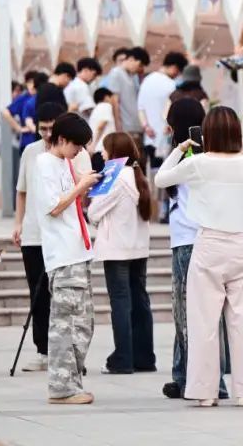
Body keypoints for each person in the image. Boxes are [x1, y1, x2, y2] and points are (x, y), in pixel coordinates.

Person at [154, 106, 243, 407]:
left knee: (203, 322)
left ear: (207, 133)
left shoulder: (199, 163)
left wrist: (179, 149)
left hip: (207, 244)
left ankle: (204, 392)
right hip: (241, 243)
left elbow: (160, 179)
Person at [159, 99, 229, 401]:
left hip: (191, 241)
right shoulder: (204, 154)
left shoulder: (193, 158)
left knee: (192, 315)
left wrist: (178, 148)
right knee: (184, 313)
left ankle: (209, 380)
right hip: (188, 239)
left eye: (169, 121)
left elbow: (160, 178)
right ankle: (182, 374)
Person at [31, 113, 101, 405]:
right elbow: (54, 206)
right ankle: (61, 387)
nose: (80, 151)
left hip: (78, 250)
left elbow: (69, 203)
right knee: (65, 324)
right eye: (77, 145)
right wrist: (81, 185)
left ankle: (72, 382)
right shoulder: (44, 163)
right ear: (60, 139)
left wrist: (86, 184)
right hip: (63, 254)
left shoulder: (65, 163)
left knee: (84, 323)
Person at [88, 133, 156, 375]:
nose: (102, 154)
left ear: (115, 151)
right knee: (139, 300)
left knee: (120, 302)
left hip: (117, 248)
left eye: (105, 149)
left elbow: (94, 213)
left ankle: (123, 358)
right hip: (138, 247)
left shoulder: (114, 177)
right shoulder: (138, 176)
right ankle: (145, 356)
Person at [12, 102, 66, 372]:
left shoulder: (69, 152)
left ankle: (63, 350)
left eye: (50, 128)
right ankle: (43, 350)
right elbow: (21, 191)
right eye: (42, 128)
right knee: (37, 293)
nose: (46, 134)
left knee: (62, 294)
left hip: (59, 234)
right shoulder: (30, 152)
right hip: (33, 234)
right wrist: (18, 223)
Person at [139, 51, 187, 166]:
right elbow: (174, 111)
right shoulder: (171, 85)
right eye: (179, 72)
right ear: (175, 68)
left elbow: (140, 108)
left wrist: (146, 127)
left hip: (149, 136)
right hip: (166, 136)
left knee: (152, 170)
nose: (177, 75)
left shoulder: (147, 80)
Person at [110, 47, 148, 140]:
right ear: (131, 59)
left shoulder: (132, 76)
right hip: (126, 128)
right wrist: (118, 126)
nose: (140, 69)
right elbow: (115, 101)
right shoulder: (116, 73)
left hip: (135, 126)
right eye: (140, 65)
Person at [88, 88, 117, 155]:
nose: (113, 101)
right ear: (106, 97)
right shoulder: (106, 106)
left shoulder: (95, 110)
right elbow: (101, 126)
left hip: (97, 150)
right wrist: (93, 145)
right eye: (112, 97)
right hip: (103, 149)